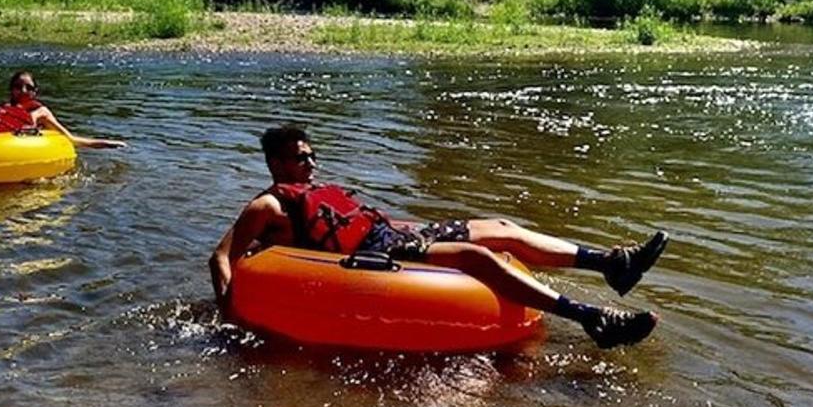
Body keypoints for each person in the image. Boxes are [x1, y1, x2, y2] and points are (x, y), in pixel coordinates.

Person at [209, 126, 669, 350]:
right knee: (475, 256)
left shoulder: (314, 192)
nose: (309, 165)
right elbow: (221, 256)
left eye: (311, 156)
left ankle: (612, 264)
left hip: (391, 234)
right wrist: (230, 310)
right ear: (276, 165)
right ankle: (591, 318)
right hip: (377, 254)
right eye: (298, 159)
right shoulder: (268, 206)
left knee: (501, 229)